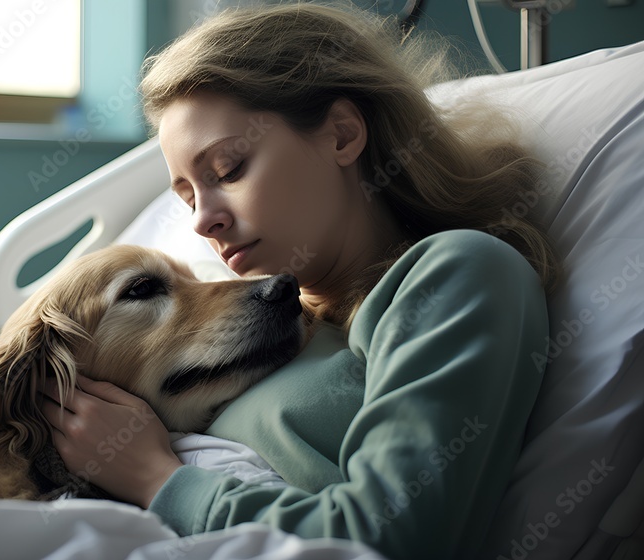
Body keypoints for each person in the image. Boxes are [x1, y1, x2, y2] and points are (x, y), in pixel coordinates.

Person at [40, 4, 559, 560]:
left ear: (341, 135)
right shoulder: (258, 326)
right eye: (189, 196)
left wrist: (157, 478)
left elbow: (384, 538)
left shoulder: (459, 274)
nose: (201, 221)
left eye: (228, 171)